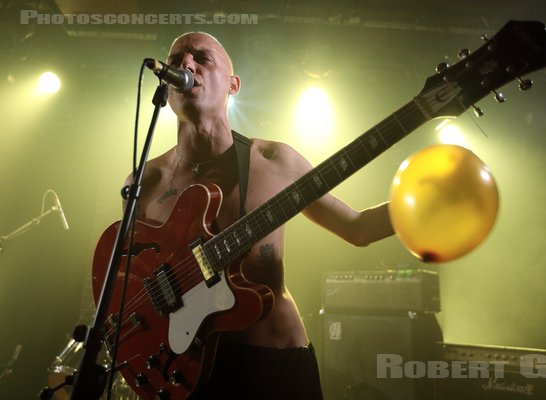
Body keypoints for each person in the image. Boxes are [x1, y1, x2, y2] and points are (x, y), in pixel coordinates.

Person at [124, 31, 395, 399]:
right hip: (189, 374)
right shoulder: (146, 182)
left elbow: (358, 228)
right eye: (175, 61)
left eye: (202, 58)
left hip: (276, 365)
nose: (186, 64)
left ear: (232, 85)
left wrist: (422, 208)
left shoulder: (275, 162)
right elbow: (129, 287)